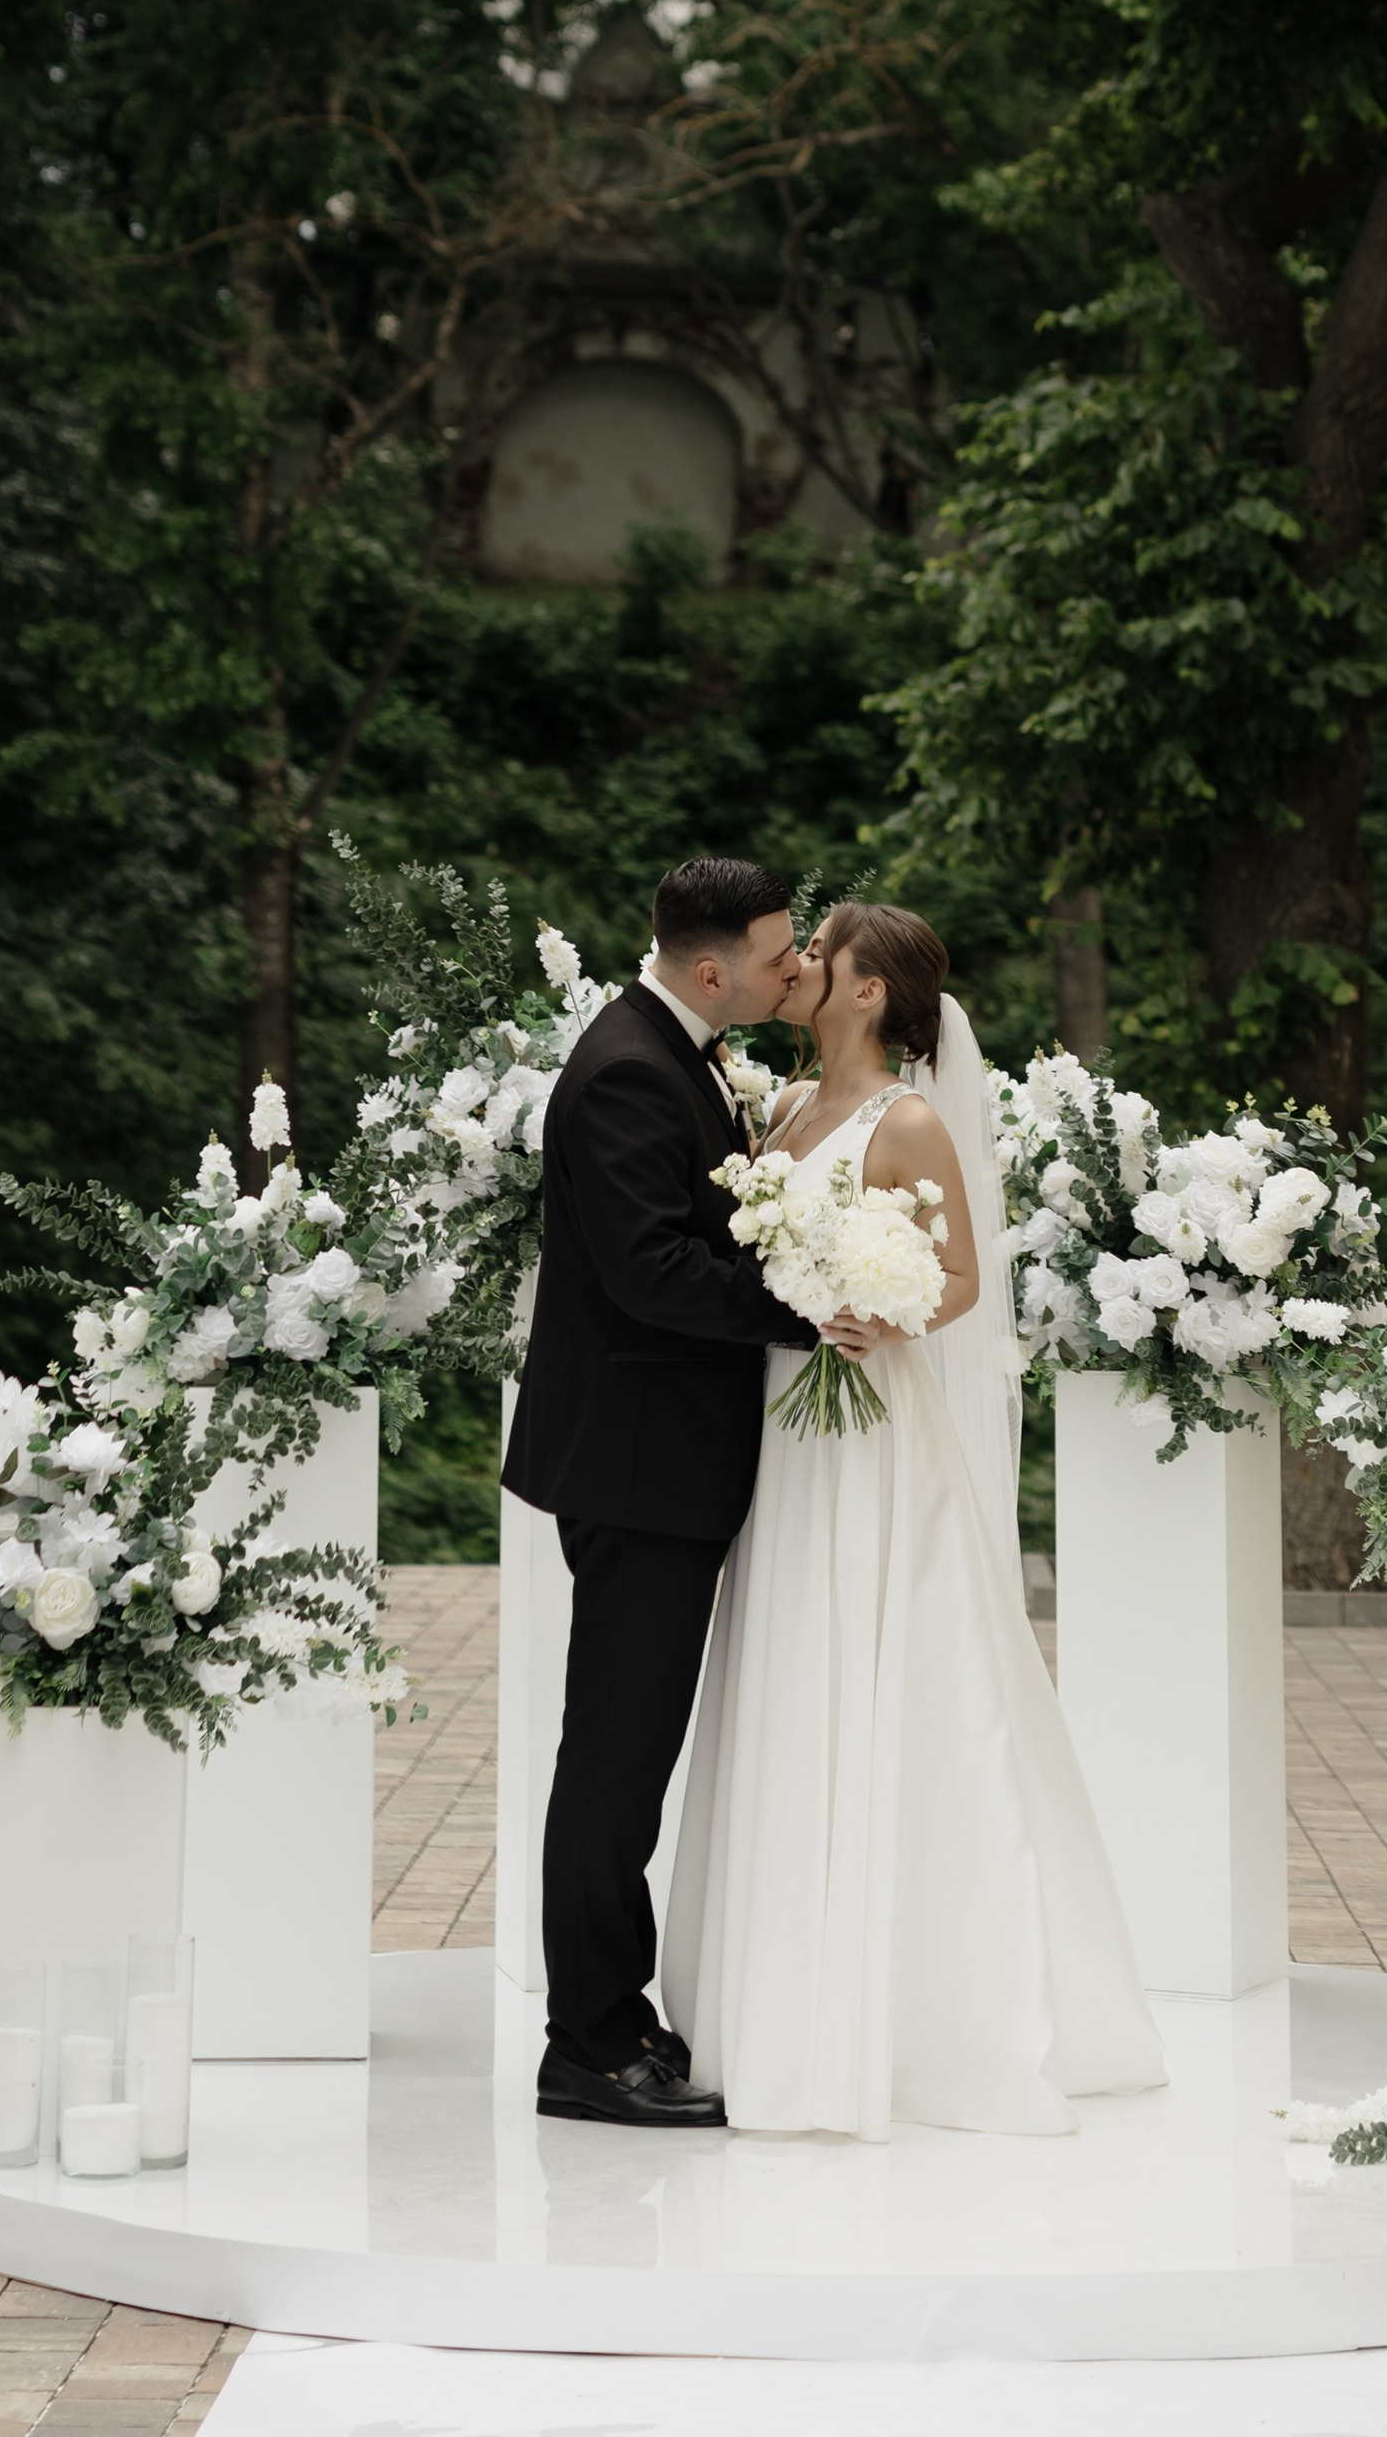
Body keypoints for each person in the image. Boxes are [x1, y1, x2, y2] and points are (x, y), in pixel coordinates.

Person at [662, 900, 1166, 2137]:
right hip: (780, 1430)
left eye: (818, 956)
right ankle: (770, 1997)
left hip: (870, 1436)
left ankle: (919, 2014)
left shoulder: (912, 1120)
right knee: (786, 1669)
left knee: (887, 1672)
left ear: (870, 991)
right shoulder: (775, 1111)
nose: (800, 970)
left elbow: (961, 1280)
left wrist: (877, 1309)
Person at [500, 852, 818, 2129]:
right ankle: (586, 2045)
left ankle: (615, 2018)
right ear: (710, 969)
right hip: (638, 1464)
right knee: (616, 1761)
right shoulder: (631, 1068)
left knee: (625, 1751)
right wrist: (809, 1306)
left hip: (655, 1456)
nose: (791, 968)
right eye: (775, 953)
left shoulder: (670, 1046)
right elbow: (650, 1274)